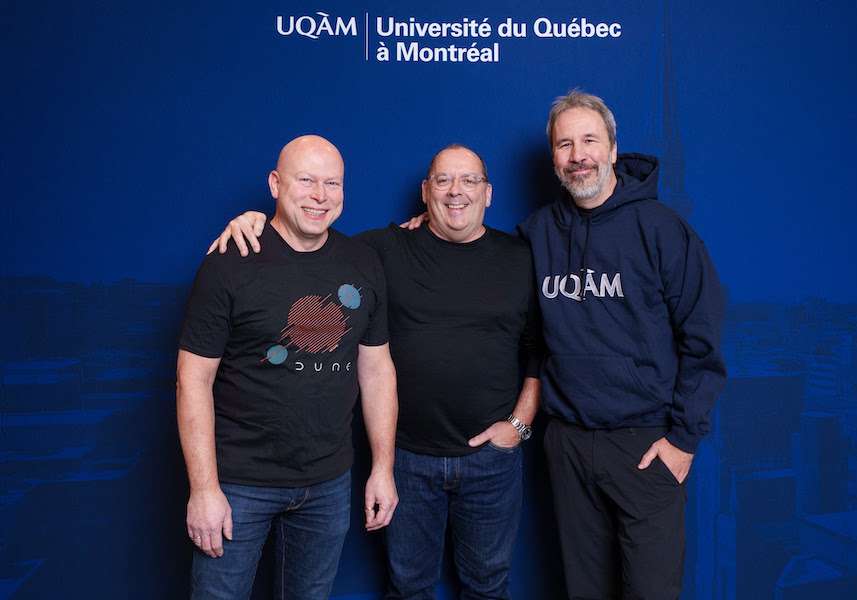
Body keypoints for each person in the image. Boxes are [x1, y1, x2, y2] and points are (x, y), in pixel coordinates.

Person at [208, 144, 541, 600]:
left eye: (469, 181)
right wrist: (254, 221)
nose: (456, 191)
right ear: (426, 192)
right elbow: (307, 235)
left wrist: (519, 426)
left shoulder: (521, 257)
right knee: (407, 587)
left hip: (492, 463)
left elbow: (538, 350)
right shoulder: (379, 251)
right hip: (408, 459)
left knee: (488, 584)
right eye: (443, 180)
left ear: (489, 193)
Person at [517, 90, 727, 599]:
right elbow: (492, 284)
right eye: (565, 144)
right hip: (567, 443)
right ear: (554, 159)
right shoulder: (537, 233)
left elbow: (704, 341)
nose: (578, 154)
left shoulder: (664, 231)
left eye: (590, 140)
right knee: (583, 590)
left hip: (645, 444)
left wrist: (682, 441)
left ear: (613, 149)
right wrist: (425, 228)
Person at [176, 135, 398, 600]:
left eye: (332, 183)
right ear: (276, 184)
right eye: (307, 181)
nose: (321, 195)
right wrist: (204, 489)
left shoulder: (363, 262)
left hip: (328, 482)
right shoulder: (230, 262)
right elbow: (192, 379)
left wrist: (383, 468)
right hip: (238, 484)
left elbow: (376, 371)